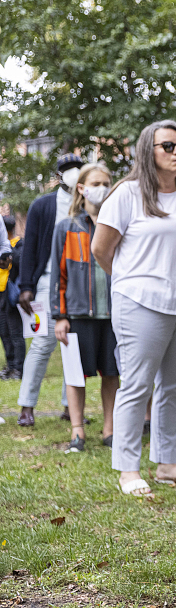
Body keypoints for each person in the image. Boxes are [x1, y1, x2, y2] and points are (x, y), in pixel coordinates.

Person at [92, 120, 176, 497]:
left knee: (174, 384)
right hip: (140, 303)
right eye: (168, 146)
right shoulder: (126, 194)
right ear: (148, 151)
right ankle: (128, 469)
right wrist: (130, 281)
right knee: (138, 383)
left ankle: (166, 463)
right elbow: (101, 249)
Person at [51, 163, 119, 453]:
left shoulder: (117, 225)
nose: (101, 188)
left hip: (114, 313)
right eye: (96, 182)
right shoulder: (67, 227)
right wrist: (60, 316)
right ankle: (77, 431)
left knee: (112, 373)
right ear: (81, 188)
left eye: (107, 182)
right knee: (75, 374)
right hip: (78, 314)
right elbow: (59, 274)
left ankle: (110, 429)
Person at [16, 154, 77, 426]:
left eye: (77, 168)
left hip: (78, 284)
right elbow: (29, 248)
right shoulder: (43, 205)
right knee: (42, 343)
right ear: (59, 174)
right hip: (46, 283)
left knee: (73, 345)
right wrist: (26, 285)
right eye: (67, 169)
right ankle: (26, 406)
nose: (72, 173)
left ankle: (71, 406)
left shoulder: (88, 205)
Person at [0, 215, 24, 380]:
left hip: (11, 295)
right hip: (1, 293)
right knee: (4, 332)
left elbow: (17, 262)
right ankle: (10, 365)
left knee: (15, 332)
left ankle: (19, 368)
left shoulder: (18, 245)